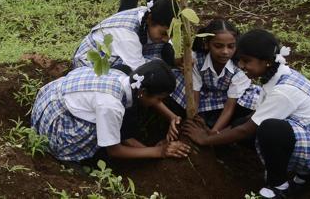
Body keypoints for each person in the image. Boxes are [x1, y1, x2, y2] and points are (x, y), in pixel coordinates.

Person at [183, 30, 310, 199]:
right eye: (240, 60)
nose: (241, 66)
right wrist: (215, 133)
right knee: (243, 123)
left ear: (265, 62)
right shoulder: (277, 76)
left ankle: (279, 186)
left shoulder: (283, 91)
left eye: (246, 61)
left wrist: (205, 140)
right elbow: (246, 123)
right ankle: (305, 175)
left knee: (269, 129)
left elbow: (247, 130)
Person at [31, 60, 191, 162]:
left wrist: (146, 148)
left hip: (47, 100)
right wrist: (158, 152)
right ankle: (70, 160)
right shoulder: (112, 105)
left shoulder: (121, 75)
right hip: (54, 127)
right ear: (143, 92)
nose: (159, 104)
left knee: (112, 124)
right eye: (159, 99)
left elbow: (120, 131)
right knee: (104, 140)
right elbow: (114, 151)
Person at [167, 19, 261, 132]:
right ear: (207, 44)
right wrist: (192, 124)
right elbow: (194, 98)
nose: (225, 51)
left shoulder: (240, 67)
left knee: (251, 105)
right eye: (218, 46)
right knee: (178, 81)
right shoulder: (196, 60)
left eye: (231, 46)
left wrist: (212, 134)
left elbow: (229, 108)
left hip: (228, 99)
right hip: (203, 94)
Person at [72, 0, 178, 72]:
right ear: (150, 19)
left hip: (120, 56)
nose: (166, 39)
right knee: (132, 76)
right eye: (163, 33)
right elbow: (139, 71)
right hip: (91, 67)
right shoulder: (127, 35)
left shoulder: (150, 17)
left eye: (170, 34)